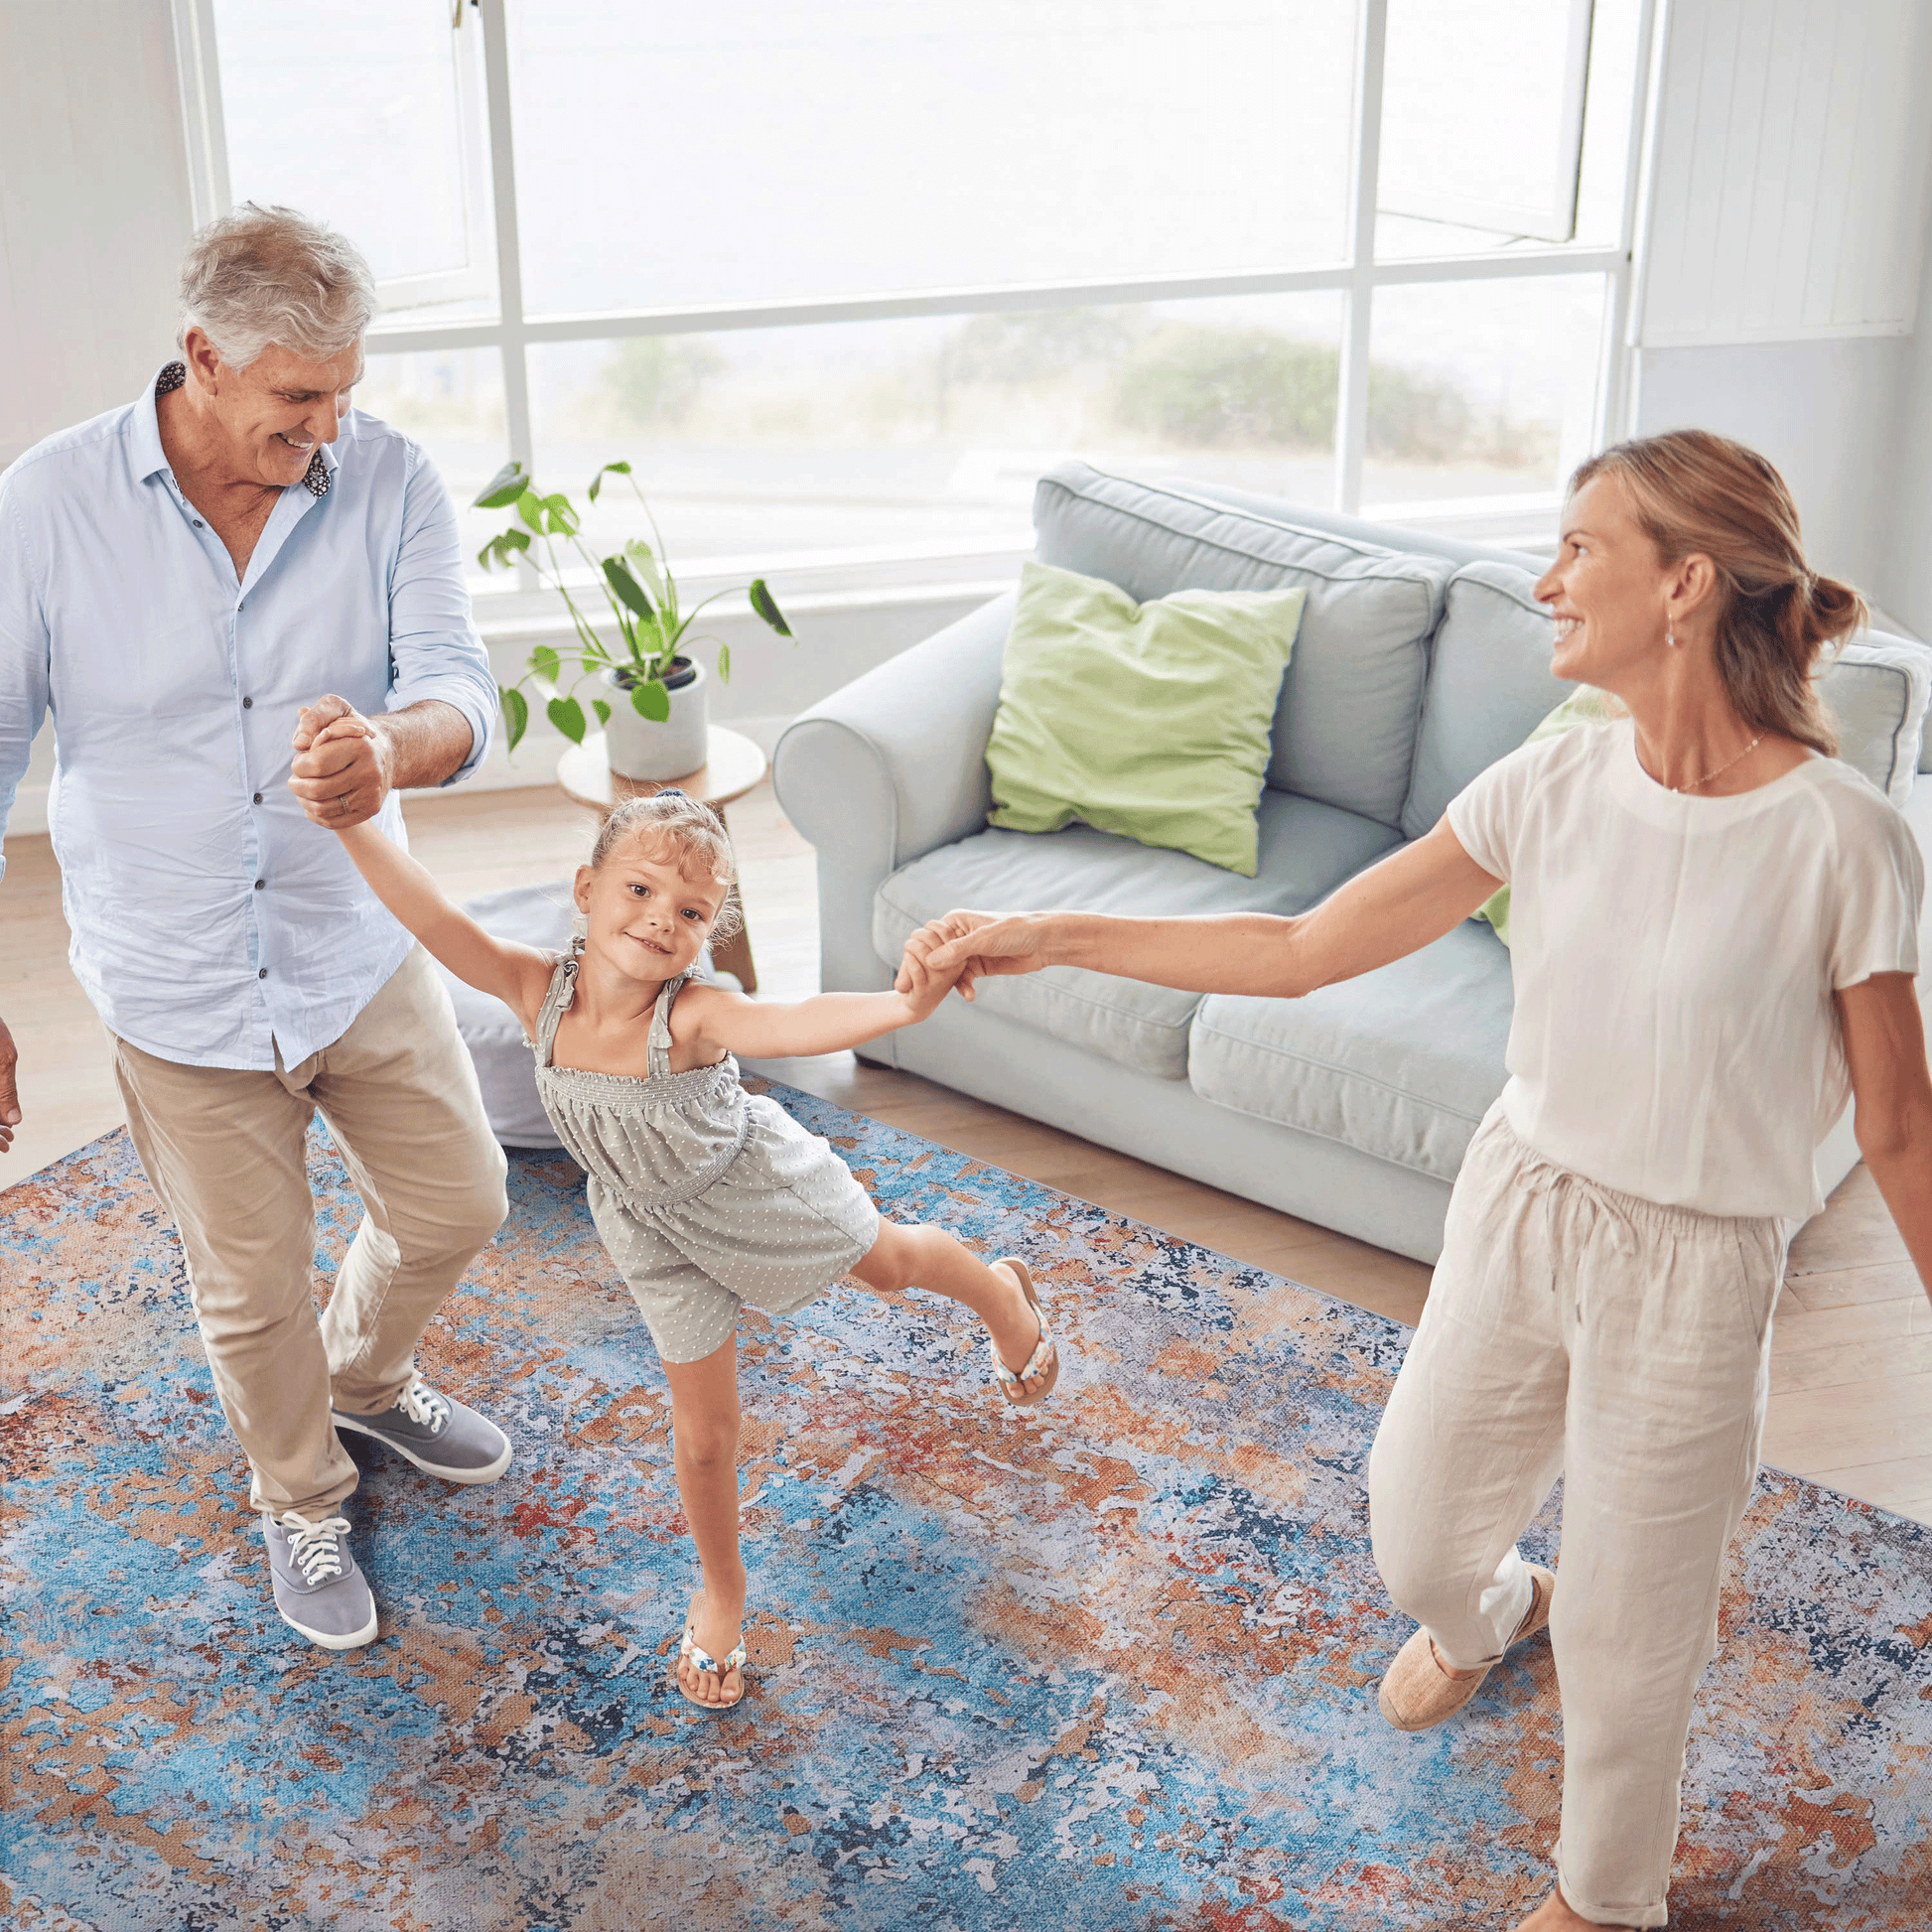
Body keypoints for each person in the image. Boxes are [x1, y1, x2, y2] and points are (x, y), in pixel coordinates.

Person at [897, 429, 1932, 1929]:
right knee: (1416, 1531)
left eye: (1581, 547)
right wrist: (1040, 928)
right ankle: (1494, 1609)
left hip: (1696, 1270)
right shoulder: (1553, 774)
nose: (1546, 578)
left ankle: (1604, 1899)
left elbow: (1897, 1123)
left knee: (1635, 1646)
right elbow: (1301, 948)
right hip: (1519, 1207)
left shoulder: (1843, 839)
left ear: (1684, 583)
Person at [0, 206, 514, 1653]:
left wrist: (397, 750)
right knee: (249, 1283)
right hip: (171, 974)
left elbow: (462, 688)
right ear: (202, 358)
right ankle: (300, 1486)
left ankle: (367, 1371)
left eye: (343, 391)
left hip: (355, 940)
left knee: (458, 1199)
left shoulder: (389, 477)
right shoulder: (43, 505)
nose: (328, 425)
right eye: (299, 397)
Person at [314, 769, 1059, 1711]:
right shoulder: (535, 988)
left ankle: (999, 1293)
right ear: (585, 891)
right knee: (706, 1437)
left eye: (693, 911)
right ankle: (722, 1593)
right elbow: (431, 918)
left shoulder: (694, 1015)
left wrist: (905, 1008)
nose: (663, 919)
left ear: (708, 934)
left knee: (894, 1266)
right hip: (650, 1228)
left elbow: (791, 1021)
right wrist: (351, 822)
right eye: (639, 890)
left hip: (757, 1190)